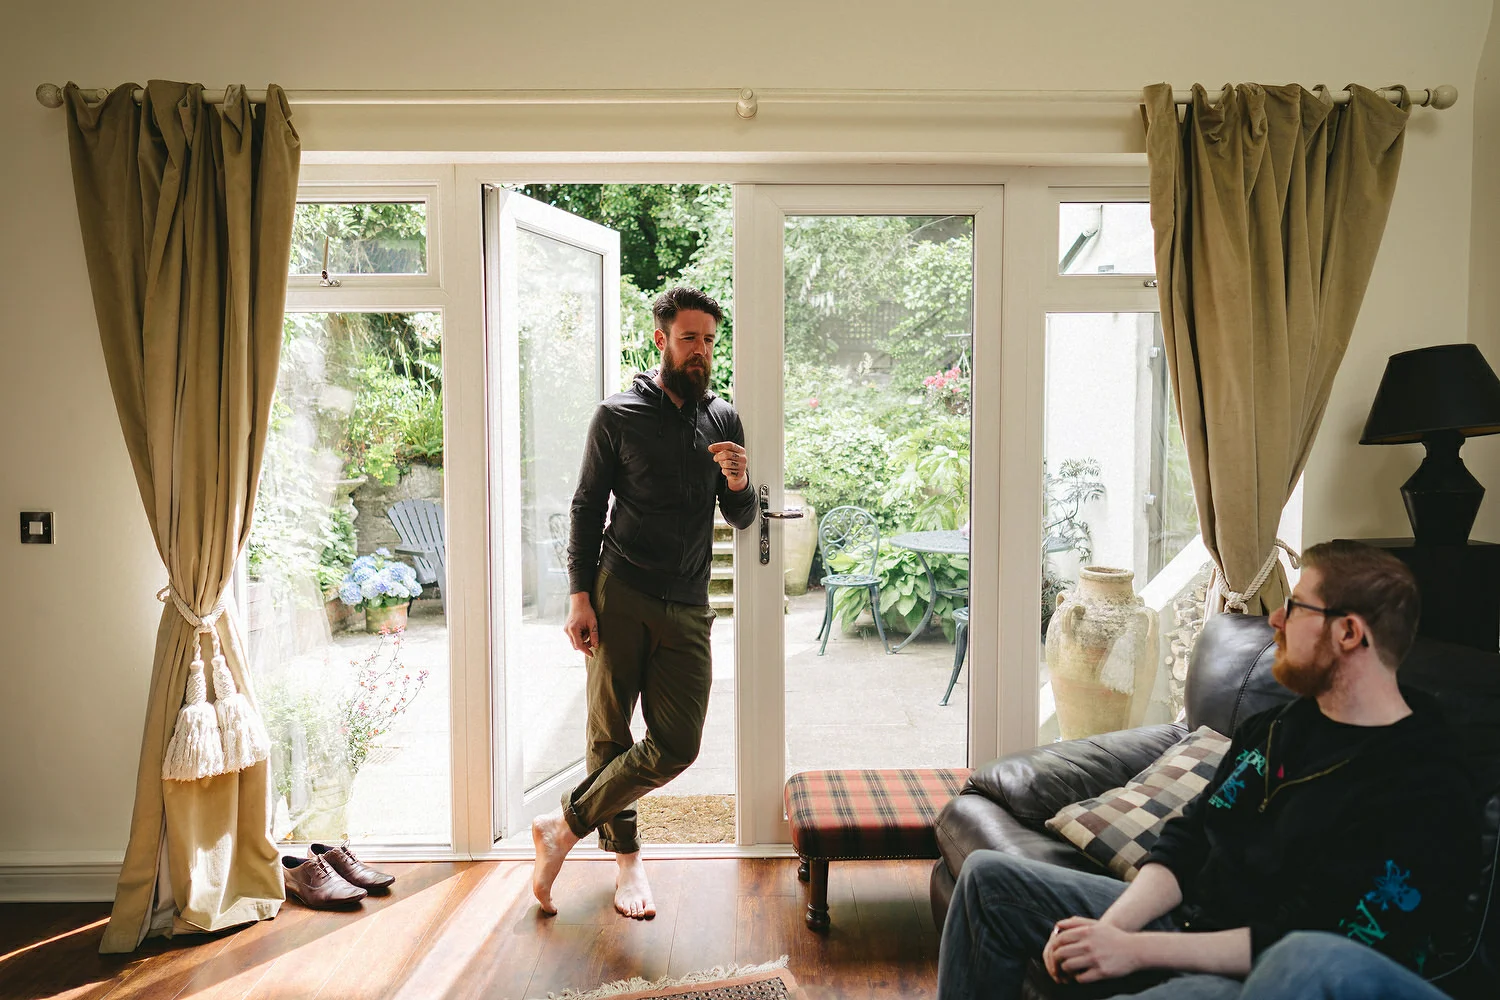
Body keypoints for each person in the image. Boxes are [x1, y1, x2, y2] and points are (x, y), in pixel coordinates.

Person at [937, 539, 1480, 999]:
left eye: (1295, 607)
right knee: (990, 880)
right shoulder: (1277, 728)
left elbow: (1313, 942)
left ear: (1349, 634)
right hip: (1191, 921)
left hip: (1261, 974)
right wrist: (1109, 929)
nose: (1274, 618)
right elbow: (1188, 838)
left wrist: (1133, 949)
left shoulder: (1426, 783)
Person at [529, 286, 757, 920]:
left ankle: (562, 827)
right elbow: (585, 508)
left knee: (678, 743)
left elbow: (742, 516)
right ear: (662, 340)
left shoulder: (723, 420)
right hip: (619, 593)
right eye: (689, 338)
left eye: (709, 340)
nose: (701, 351)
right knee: (610, 734)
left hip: (687, 603)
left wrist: (739, 482)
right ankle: (628, 866)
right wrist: (579, 597)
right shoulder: (617, 414)